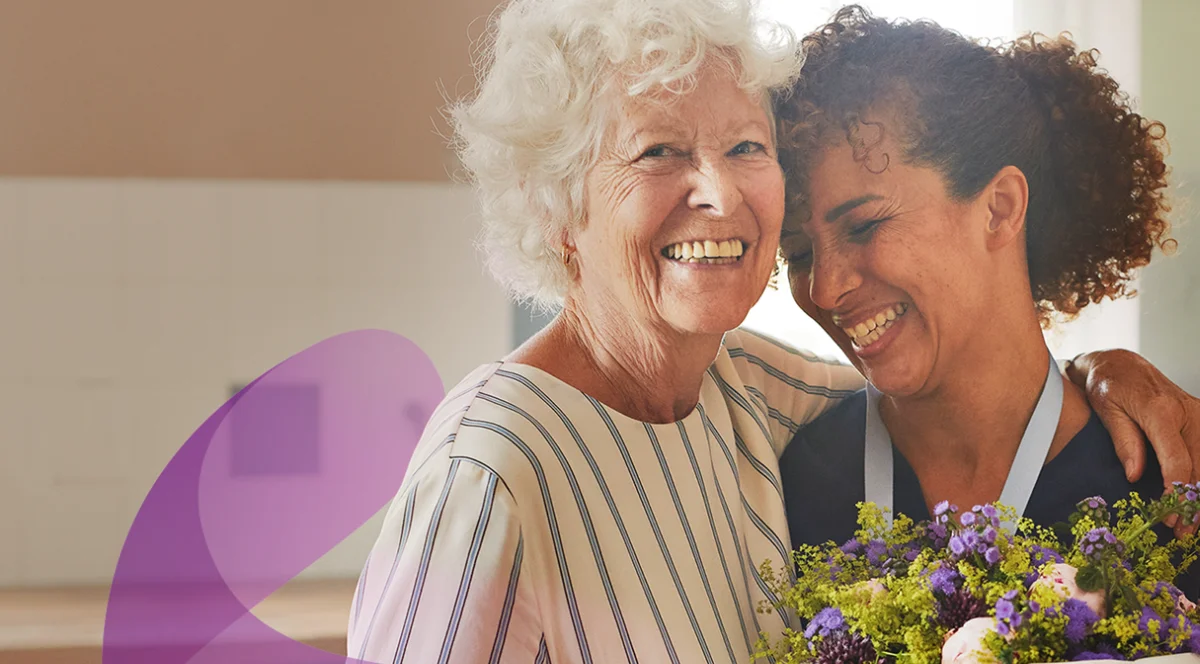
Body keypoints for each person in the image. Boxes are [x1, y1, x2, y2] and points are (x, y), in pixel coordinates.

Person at [350, 1, 1200, 661]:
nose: (825, 286)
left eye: (747, 146)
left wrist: (1105, 371)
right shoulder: (492, 473)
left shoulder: (751, 399)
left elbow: (981, 395)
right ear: (555, 208)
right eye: (655, 153)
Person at [776, 6, 1196, 592]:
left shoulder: (1166, 485)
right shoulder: (790, 490)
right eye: (795, 253)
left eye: (865, 227)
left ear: (998, 208)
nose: (825, 288)